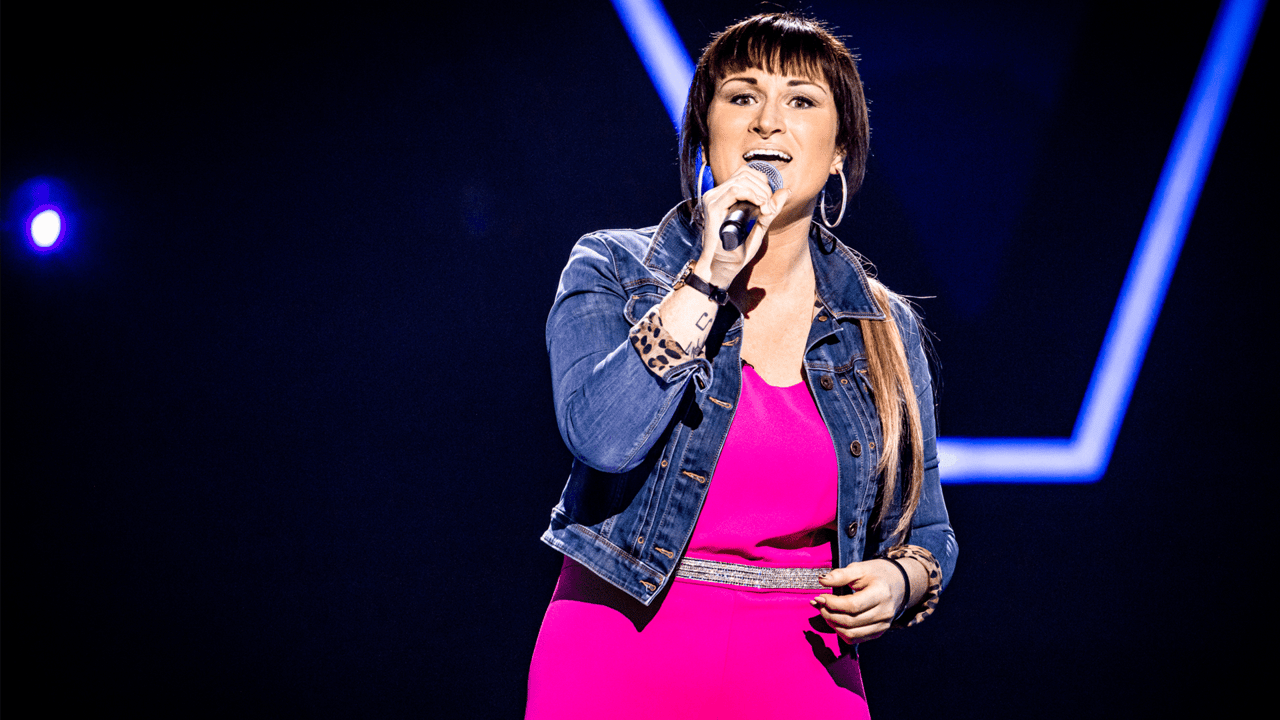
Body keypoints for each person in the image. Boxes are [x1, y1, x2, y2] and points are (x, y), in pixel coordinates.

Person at [527, 13, 956, 719]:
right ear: (704, 135)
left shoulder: (881, 326)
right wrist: (707, 278)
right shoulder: (614, 268)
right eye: (742, 96)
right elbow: (602, 440)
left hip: (803, 663)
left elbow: (928, 531)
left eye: (801, 100)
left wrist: (899, 582)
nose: (767, 121)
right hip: (620, 646)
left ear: (840, 150)